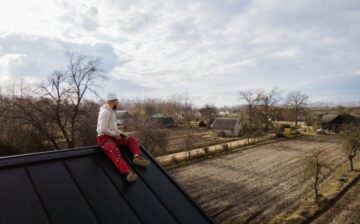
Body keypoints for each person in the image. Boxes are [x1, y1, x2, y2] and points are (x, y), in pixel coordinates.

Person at [96, 92, 150, 182]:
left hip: (112, 136)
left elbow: (113, 128)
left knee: (131, 139)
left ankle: (136, 157)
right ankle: (127, 173)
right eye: (117, 102)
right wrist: (115, 134)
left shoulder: (111, 112)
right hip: (104, 138)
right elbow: (103, 129)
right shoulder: (105, 112)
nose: (118, 103)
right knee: (115, 152)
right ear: (113, 101)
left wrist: (121, 134)